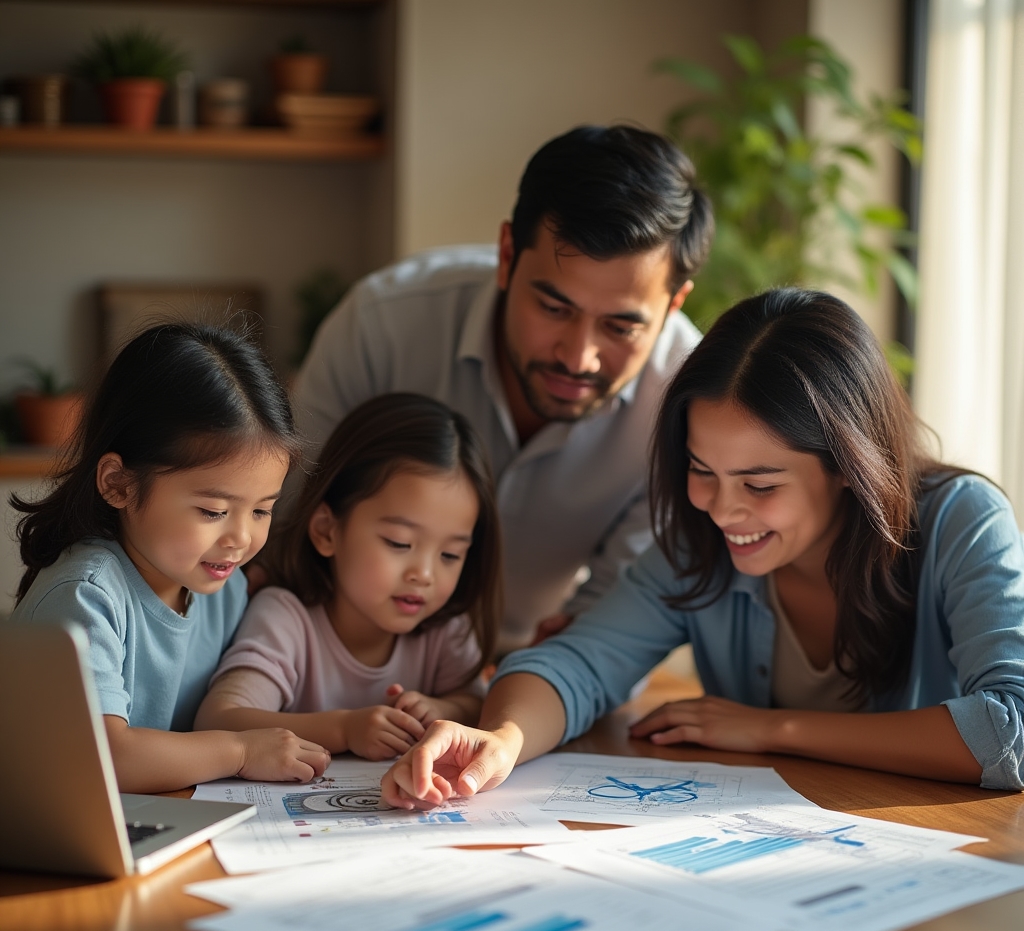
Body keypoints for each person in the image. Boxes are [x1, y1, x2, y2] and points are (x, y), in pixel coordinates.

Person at [381, 288, 1024, 807]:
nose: (722, 509)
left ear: (846, 468)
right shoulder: (701, 544)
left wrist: (772, 728)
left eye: (760, 483)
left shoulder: (961, 520)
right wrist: (502, 738)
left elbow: (1011, 731)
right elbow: (575, 663)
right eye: (701, 470)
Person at [292, 124, 714, 650]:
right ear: (508, 255)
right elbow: (290, 527)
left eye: (620, 328)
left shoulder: (690, 404)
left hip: (537, 676)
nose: (578, 356)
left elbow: (616, 626)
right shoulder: (382, 326)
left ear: (674, 305)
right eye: (555, 308)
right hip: (341, 660)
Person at [9, 322, 331, 793]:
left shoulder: (225, 586)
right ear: (119, 483)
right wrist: (240, 751)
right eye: (213, 511)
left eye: (262, 509)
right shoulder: (86, 594)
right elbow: (104, 758)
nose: (240, 538)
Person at [195, 393, 502, 760]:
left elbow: (478, 705)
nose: (424, 574)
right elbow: (218, 719)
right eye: (399, 543)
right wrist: (344, 728)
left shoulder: (445, 628)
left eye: (450, 555)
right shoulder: (286, 618)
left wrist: (445, 711)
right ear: (327, 530)